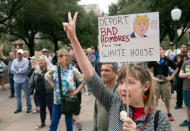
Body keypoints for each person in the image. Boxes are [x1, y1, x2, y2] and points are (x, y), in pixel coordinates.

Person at [63, 12, 171, 131]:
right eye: (120, 82)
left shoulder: (160, 120)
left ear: (145, 86)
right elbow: (91, 77)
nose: (123, 88)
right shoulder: (115, 104)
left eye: (130, 83)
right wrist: (73, 39)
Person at [46, 48, 84, 131]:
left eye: (61, 56)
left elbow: (83, 80)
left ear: (66, 57)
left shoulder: (72, 69)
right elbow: (46, 75)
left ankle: (76, 126)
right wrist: (51, 83)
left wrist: (76, 91)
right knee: (53, 123)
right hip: (57, 101)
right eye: (57, 56)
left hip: (68, 101)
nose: (58, 57)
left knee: (69, 123)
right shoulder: (55, 68)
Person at [148, 45, 178, 121]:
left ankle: (169, 113)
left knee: (167, 98)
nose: (159, 51)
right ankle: (155, 114)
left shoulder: (167, 59)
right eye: (157, 49)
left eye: (160, 49)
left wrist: (171, 77)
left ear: (163, 50)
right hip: (156, 81)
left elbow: (176, 68)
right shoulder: (153, 60)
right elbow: (147, 68)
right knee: (155, 99)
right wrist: (151, 76)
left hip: (165, 81)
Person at [29, 55, 54, 129]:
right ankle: (42, 122)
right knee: (42, 108)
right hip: (39, 93)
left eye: (42, 60)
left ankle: (53, 123)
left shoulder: (51, 70)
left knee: (51, 108)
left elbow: (55, 81)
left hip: (49, 92)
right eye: (39, 60)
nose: (40, 62)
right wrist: (31, 92)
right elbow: (31, 82)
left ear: (46, 61)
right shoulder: (36, 71)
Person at [93, 62, 119, 131]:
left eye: (107, 70)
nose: (103, 73)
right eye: (102, 70)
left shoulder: (120, 91)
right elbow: (96, 113)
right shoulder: (100, 89)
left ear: (116, 73)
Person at [11, 49, 32, 113]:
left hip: (24, 80)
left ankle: (29, 107)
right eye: (18, 53)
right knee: (18, 95)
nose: (19, 55)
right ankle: (19, 107)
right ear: (17, 54)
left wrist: (17, 70)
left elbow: (25, 69)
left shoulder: (26, 60)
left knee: (27, 94)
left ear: (22, 54)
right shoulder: (14, 61)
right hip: (16, 80)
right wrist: (19, 70)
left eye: (20, 54)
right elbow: (12, 69)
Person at [174, 44, 188, 109]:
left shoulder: (188, 56)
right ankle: (178, 104)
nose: (183, 48)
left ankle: (187, 104)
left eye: (185, 47)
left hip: (187, 76)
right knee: (178, 90)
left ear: (187, 48)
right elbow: (173, 66)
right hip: (178, 76)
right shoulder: (177, 56)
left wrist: (186, 61)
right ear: (180, 48)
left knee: (187, 90)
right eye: (182, 47)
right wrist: (178, 62)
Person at [179, 48, 190, 128]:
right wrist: (188, 74)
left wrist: (186, 74)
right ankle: (188, 120)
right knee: (188, 106)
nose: (189, 53)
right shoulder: (185, 63)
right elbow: (180, 75)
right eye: (189, 52)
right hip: (186, 88)